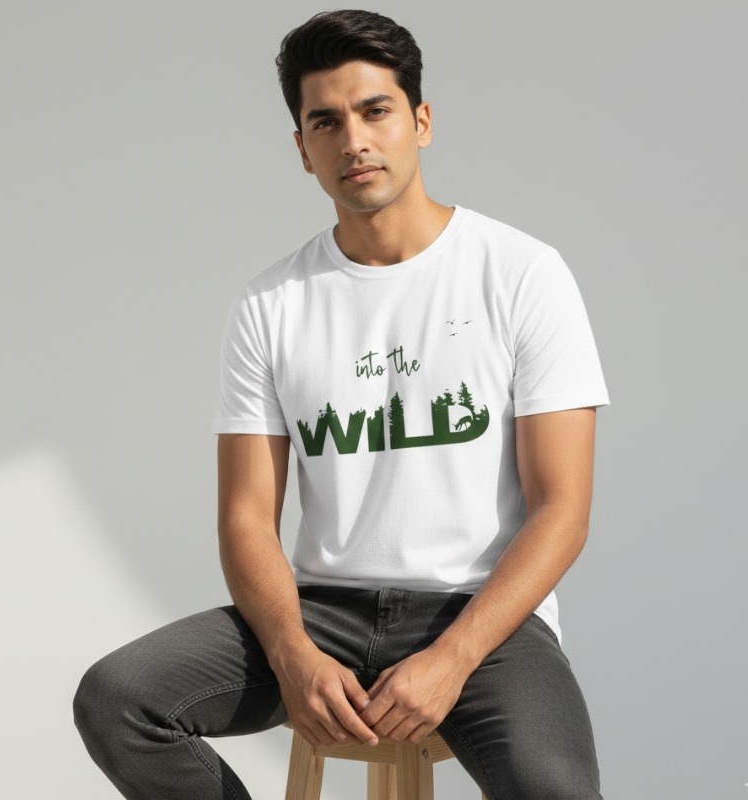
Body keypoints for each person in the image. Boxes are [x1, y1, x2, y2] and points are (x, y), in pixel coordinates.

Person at [73, 9, 610, 799]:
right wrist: (292, 654)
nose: (353, 140)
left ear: (420, 122)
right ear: (303, 149)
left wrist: (453, 657)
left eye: (375, 111)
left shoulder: (521, 274)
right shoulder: (271, 304)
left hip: (483, 620)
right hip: (322, 613)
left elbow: (562, 509)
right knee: (118, 699)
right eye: (326, 122)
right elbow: (247, 517)